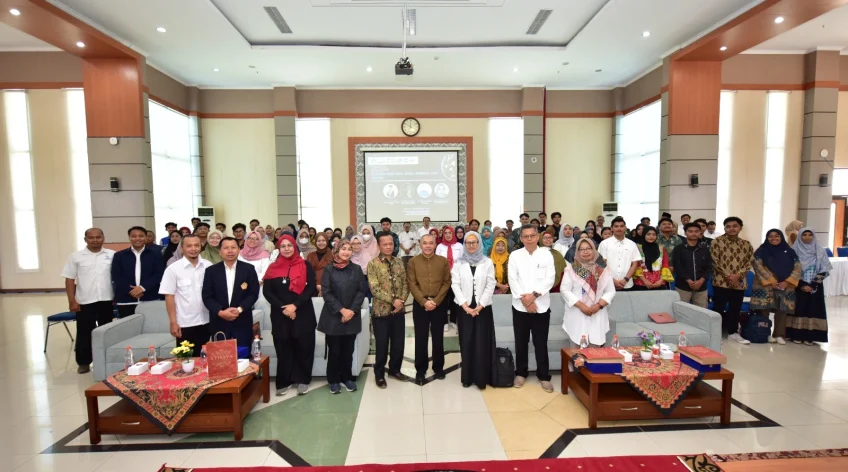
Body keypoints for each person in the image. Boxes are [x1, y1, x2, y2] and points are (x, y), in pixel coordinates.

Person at [263, 234, 318, 396]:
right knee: (283, 347)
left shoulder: (305, 265)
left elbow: (311, 288)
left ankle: (303, 379)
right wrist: (284, 308)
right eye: (283, 246)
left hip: (303, 312)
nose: (286, 249)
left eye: (289, 245)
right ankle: (284, 381)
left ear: (295, 247)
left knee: (304, 347)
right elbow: (267, 292)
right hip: (280, 314)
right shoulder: (272, 267)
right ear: (278, 249)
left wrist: (294, 306)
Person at [508, 224, 556, 393]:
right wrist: (526, 301)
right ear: (521, 238)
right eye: (525, 236)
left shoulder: (546, 254)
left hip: (541, 306)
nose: (529, 239)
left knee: (540, 342)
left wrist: (534, 296)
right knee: (521, 342)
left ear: (537, 237)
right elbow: (512, 279)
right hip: (520, 306)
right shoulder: (515, 255)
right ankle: (521, 373)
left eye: (532, 236)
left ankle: (544, 376)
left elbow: (550, 279)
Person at [62, 228, 115, 374]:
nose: (95, 240)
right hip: (85, 301)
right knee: (84, 332)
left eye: (98, 237)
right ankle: (84, 362)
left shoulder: (112, 255)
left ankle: (106, 359)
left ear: (103, 238)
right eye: (91, 238)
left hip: (107, 300)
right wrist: (72, 301)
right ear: (85, 240)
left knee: (107, 331)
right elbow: (69, 279)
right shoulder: (76, 257)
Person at [319, 239, 367, 394]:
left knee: (348, 350)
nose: (346, 252)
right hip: (333, 316)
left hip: (352, 316)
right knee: (334, 351)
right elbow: (326, 292)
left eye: (349, 249)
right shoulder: (328, 269)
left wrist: (351, 311)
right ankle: (333, 380)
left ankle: (347, 378)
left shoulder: (357, 269)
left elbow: (361, 291)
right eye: (343, 249)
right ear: (337, 251)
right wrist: (341, 310)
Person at [451, 231, 496, 389]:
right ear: (464, 244)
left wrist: (481, 305)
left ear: (479, 244)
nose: (471, 245)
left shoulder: (487, 262)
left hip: (483, 309)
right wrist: (465, 306)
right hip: (464, 309)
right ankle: (467, 377)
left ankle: (482, 378)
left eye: (474, 242)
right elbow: (455, 284)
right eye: (468, 242)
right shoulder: (459, 263)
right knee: (467, 342)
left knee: (482, 343)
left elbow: (491, 284)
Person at [367, 231, 411, 388]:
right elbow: (374, 288)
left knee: (398, 343)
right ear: (378, 245)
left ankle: (395, 370)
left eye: (390, 243)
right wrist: (393, 301)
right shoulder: (373, 264)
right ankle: (379, 374)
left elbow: (406, 283)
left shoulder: (399, 262)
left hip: (398, 311)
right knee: (382, 344)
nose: (388, 246)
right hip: (381, 312)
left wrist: (402, 301)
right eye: (384, 244)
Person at [407, 233, 451, 385]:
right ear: (420, 245)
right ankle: (420, 369)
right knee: (421, 337)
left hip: (439, 304)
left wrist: (436, 301)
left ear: (435, 244)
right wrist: (424, 301)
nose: (427, 246)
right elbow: (412, 284)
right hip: (420, 305)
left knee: (438, 337)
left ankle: (438, 367)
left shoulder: (443, 261)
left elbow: (446, 282)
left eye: (430, 243)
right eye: (424, 243)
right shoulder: (413, 262)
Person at [201, 237, 260, 350]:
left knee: (243, 355)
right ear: (220, 251)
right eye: (226, 248)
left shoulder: (248, 269)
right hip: (219, 321)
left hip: (242, 320)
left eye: (233, 247)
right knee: (221, 356)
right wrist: (220, 312)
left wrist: (239, 309)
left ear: (239, 249)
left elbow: (253, 293)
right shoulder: (211, 271)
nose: (230, 251)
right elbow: (207, 296)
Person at [160, 235, 212, 357]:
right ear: (182, 248)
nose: (193, 249)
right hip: (185, 323)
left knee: (207, 359)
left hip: (207, 321)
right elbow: (169, 297)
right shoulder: (173, 269)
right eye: (189, 246)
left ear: (201, 247)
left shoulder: (208, 266)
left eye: (196, 245)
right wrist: (173, 322)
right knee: (186, 360)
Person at [560, 239, 615, 348]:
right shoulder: (572, 268)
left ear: (594, 249)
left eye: (588, 248)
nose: (585, 251)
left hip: (597, 311)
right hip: (577, 311)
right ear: (577, 251)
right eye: (582, 249)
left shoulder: (603, 268)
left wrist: (599, 305)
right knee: (576, 352)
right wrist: (581, 306)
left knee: (595, 350)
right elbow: (564, 290)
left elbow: (610, 291)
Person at [751, 229, 801, 345]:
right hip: (765, 286)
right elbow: (757, 266)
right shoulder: (761, 251)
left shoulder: (790, 251)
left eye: (777, 236)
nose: (773, 238)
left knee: (782, 310)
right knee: (764, 310)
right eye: (770, 236)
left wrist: (787, 282)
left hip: (785, 286)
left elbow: (798, 268)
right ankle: (765, 333)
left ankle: (779, 334)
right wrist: (771, 280)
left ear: (781, 237)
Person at [711, 217, 754, 344]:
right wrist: (729, 276)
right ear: (724, 228)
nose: (731, 229)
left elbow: (749, 262)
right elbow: (714, 261)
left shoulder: (746, 244)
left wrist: (738, 275)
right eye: (728, 226)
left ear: (740, 228)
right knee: (718, 308)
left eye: (735, 226)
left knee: (735, 308)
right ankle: (715, 334)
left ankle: (733, 333)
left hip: (739, 283)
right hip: (721, 282)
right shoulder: (716, 242)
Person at [789, 228, 832, 345]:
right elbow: (790, 268)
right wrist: (801, 284)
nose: (807, 237)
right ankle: (796, 335)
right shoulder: (794, 250)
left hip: (815, 286)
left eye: (810, 235)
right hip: (798, 285)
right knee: (799, 309)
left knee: (812, 309)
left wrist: (812, 285)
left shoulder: (820, 250)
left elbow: (825, 269)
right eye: (804, 235)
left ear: (814, 236)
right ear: (800, 236)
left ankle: (810, 336)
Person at [112, 226, 164, 318]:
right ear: (129, 237)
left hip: (150, 298)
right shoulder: (119, 255)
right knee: (128, 325)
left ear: (145, 237)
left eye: (141, 236)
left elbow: (159, 274)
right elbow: (117, 276)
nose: (137, 238)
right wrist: (132, 291)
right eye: (134, 236)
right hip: (126, 300)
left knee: (151, 324)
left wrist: (142, 288)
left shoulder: (156, 254)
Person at [671, 223, 712, 308]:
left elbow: (709, 266)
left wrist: (701, 280)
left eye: (696, 231)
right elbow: (677, 266)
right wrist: (688, 280)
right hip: (683, 286)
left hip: (701, 286)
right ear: (685, 233)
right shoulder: (678, 249)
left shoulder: (705, 249)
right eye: (690, 231)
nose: (694, 233)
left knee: (702, 312)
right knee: (681, 310)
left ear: (700, 233)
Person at [598, 217, 641, 291]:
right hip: (608, 284)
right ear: (612, 228)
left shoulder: (632, 244)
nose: (619, 228)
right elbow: (601, 264)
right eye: (616, 226)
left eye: (621, 226)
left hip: (627, 284)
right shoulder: (604, 244)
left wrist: (625, 279)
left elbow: (635, 264)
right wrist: (612, 280)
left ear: (625, 228)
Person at [437, 226, 463, 330]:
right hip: (443, 277)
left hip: (456, 277)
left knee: (454, 299)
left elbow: (462, 261)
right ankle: (444, 322)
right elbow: (437, 262)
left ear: (453, 234)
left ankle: (453, 320)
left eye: (450, 233)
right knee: (443, 299)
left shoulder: (459, 246)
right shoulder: (440, 246)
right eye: (446, 233)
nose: (448, 235)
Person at [634, 226, 673, 291]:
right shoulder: (637, 248)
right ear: (644, 235)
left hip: (659, 283)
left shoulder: (661, 248)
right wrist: (645, 281)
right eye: (648, 234)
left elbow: (665, 266)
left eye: (654, 234)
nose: (651, 236)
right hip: (641, 283)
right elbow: (636, 266)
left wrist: (660, 281)